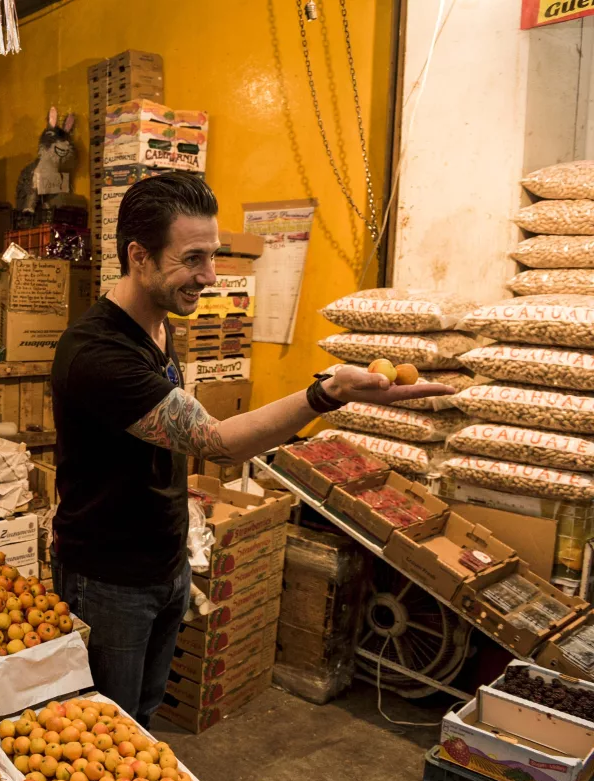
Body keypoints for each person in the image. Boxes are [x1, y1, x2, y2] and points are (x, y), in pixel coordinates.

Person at [49, 172, 453, 727]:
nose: (209, 276)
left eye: (212, 256)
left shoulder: (160, 327)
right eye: (193, 258)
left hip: (164, 562)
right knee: (105, 736)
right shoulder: (98, 353)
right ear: (138, 256)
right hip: (109, 578)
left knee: (143, 716)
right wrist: (325, 393)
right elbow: (215, 442)